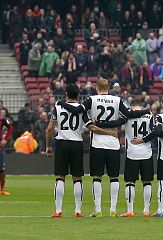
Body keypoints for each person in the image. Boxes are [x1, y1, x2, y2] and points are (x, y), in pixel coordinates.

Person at [61, 78, 148, 217]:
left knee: (97, 177)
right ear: (109, 88)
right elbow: (128, 115)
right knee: (114, 177)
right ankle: (113, 210)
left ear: (96, 87)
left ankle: (98, 210)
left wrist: (61, 103)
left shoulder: (92, 99)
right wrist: (145, 111)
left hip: (97, 143)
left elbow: (78, 109)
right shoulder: (117, 100)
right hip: (113, 143)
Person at [46, 84, 113, 217]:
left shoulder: (58, 107)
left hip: (62, 143)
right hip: (77, 144)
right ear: (77, 95)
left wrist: (48, 146)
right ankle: (78, 210)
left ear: (66, 94)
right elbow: (91, 127)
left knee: (60, 177)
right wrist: (108, 132)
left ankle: (58, 210)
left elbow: (49, 128)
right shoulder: (82, 110)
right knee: (77, 178)